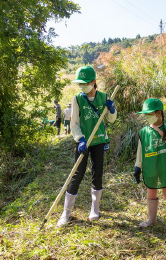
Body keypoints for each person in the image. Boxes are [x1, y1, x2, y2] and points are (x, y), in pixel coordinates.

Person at [57, 66, 117, 226]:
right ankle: (66, 213)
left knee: (97, 175)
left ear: (93, 82)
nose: (82, 86)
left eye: (85, 83)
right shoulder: (77, 99)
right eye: (80, 83)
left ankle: (94, 209)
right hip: (83, 142)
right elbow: (74, 123)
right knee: (77, 174)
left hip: (98, 141)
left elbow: (111, 120)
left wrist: (112, 109)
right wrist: (80, 139)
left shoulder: (103, 97)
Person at [134, 98, 166, 227]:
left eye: (149, 114)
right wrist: (137, 167)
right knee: (151, 191)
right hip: (150, 166)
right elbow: (140, 152)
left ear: (158, 113)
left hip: (164, 166)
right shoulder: (143, 132)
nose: (147, 116)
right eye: (146, 114)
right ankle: (151, 220)